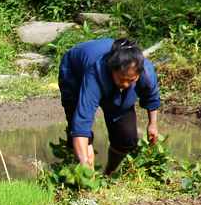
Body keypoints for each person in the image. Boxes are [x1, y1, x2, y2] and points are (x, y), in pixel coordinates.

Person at [58, 38, 161, 175]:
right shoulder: (94, 74)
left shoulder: (146, 72)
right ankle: (79, 171)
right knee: (78, 131)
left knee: (126, 138)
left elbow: (151, 97)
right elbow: (82, 122)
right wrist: (85, 165)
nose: (125, 84)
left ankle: (109, 173)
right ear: (112, 69)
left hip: (109, 79)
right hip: (74, 72)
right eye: (121, 79)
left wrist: (152, 124)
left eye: (131, 80)